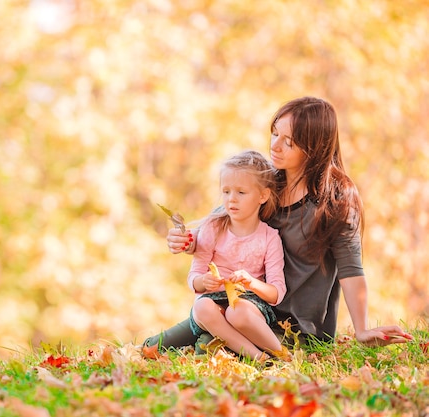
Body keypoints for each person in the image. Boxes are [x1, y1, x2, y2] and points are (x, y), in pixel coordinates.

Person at [146, 96, 412, 351]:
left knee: (207, 344)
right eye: (275, 133)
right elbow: (222, 223)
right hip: (244, 306)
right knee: (154, 345)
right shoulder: (266, 183)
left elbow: (351, 271)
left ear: (314, 147)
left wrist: (362, 329)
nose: (275, 145)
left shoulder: (337, 200)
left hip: (296, 325)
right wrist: (187, 240)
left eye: (289, 142)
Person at [187, 150, 286, 361]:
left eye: (241, 192)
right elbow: (194, 277)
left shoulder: (270, 237)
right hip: (211, 303)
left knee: (237, 311)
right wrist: (203, 282)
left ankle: (281, 353)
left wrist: (251, 282)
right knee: (201, 306)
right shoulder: (214, 227)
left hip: (248, 303)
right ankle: (257, 357)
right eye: (226, 192)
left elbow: (277, 293)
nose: (231, 199)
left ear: (263, 195)